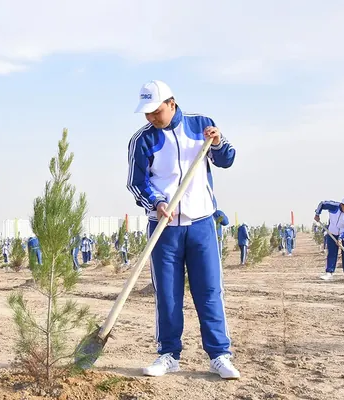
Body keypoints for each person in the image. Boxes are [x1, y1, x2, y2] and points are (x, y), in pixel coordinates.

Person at [127, 80, 239, 379]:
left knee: (210, 291)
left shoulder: (201, 125)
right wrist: (157, 201)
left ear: (172, 104)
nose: (151, 117)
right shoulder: (142, 141)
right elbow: (137, 183)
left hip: (201, 224)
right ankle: (168, 354)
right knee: (168, 294)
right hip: (164, 228)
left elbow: (226, 159)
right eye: (147, 113)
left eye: (156, 111)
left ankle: (219, 355)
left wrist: (217, 142)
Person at [314, 197, 344, 280]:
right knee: (332, 253)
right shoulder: (333, 206)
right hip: (332, 232)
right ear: (342, 205)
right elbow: (322, 203)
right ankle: (329, 272)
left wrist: (341, 238)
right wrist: (317, 214)